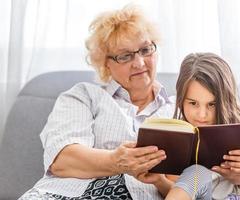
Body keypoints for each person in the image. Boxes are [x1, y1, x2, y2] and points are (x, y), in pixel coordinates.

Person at [19, 5, 176, 200]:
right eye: (125, 56)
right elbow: (61, 161)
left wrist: (159, 180)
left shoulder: (180, 109)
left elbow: (187, 187)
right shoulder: (83, 96)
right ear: (105, 63)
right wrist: (117, 161)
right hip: (58, 194)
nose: (139, 63)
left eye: (145, 50)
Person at [138, 53, 240, 200]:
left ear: (225, 102)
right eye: (193, 103)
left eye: (212, 104)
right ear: (181, 101)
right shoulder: (176, 137)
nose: (202, 115)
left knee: (197, 172)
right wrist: (159, 181)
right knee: (197, 173)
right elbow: (177, 192)